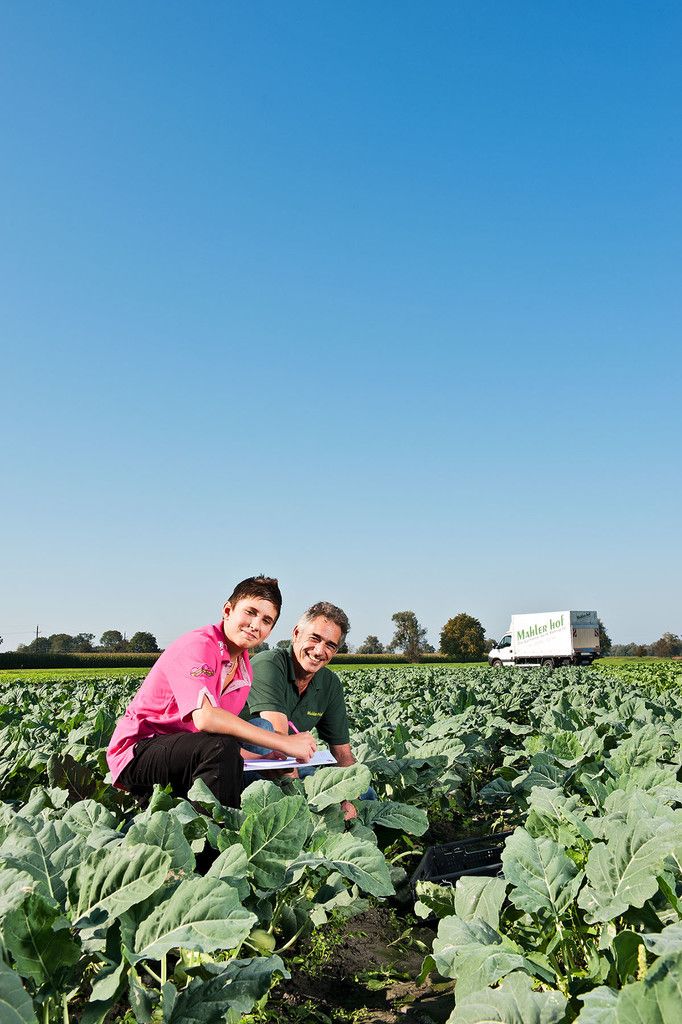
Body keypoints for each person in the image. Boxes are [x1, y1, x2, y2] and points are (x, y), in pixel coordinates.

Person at [106, 576, 317, 808]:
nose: (256, 625)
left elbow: (216, 738)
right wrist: (283, 742)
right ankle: (213, 837)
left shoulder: (244, 669)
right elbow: (206, 718)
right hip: (138, 753)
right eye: (250, 612)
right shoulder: (199, 645)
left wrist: (263, 759)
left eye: (266, 621)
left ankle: (203, 817)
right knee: (225, 747)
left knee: (231, 751)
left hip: (184, 752)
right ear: (228, 610)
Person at [246, 601, 366, 818]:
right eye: (315, 638)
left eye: (330, 645)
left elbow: (342, 753)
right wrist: (302, 806)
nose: (319, 651)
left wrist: (350, 796)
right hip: (250, 766)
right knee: (282, 808)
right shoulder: (269, 664)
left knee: (365, 796)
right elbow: (280, 742)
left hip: (291, 765)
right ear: (296, 633)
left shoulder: (329, 683)